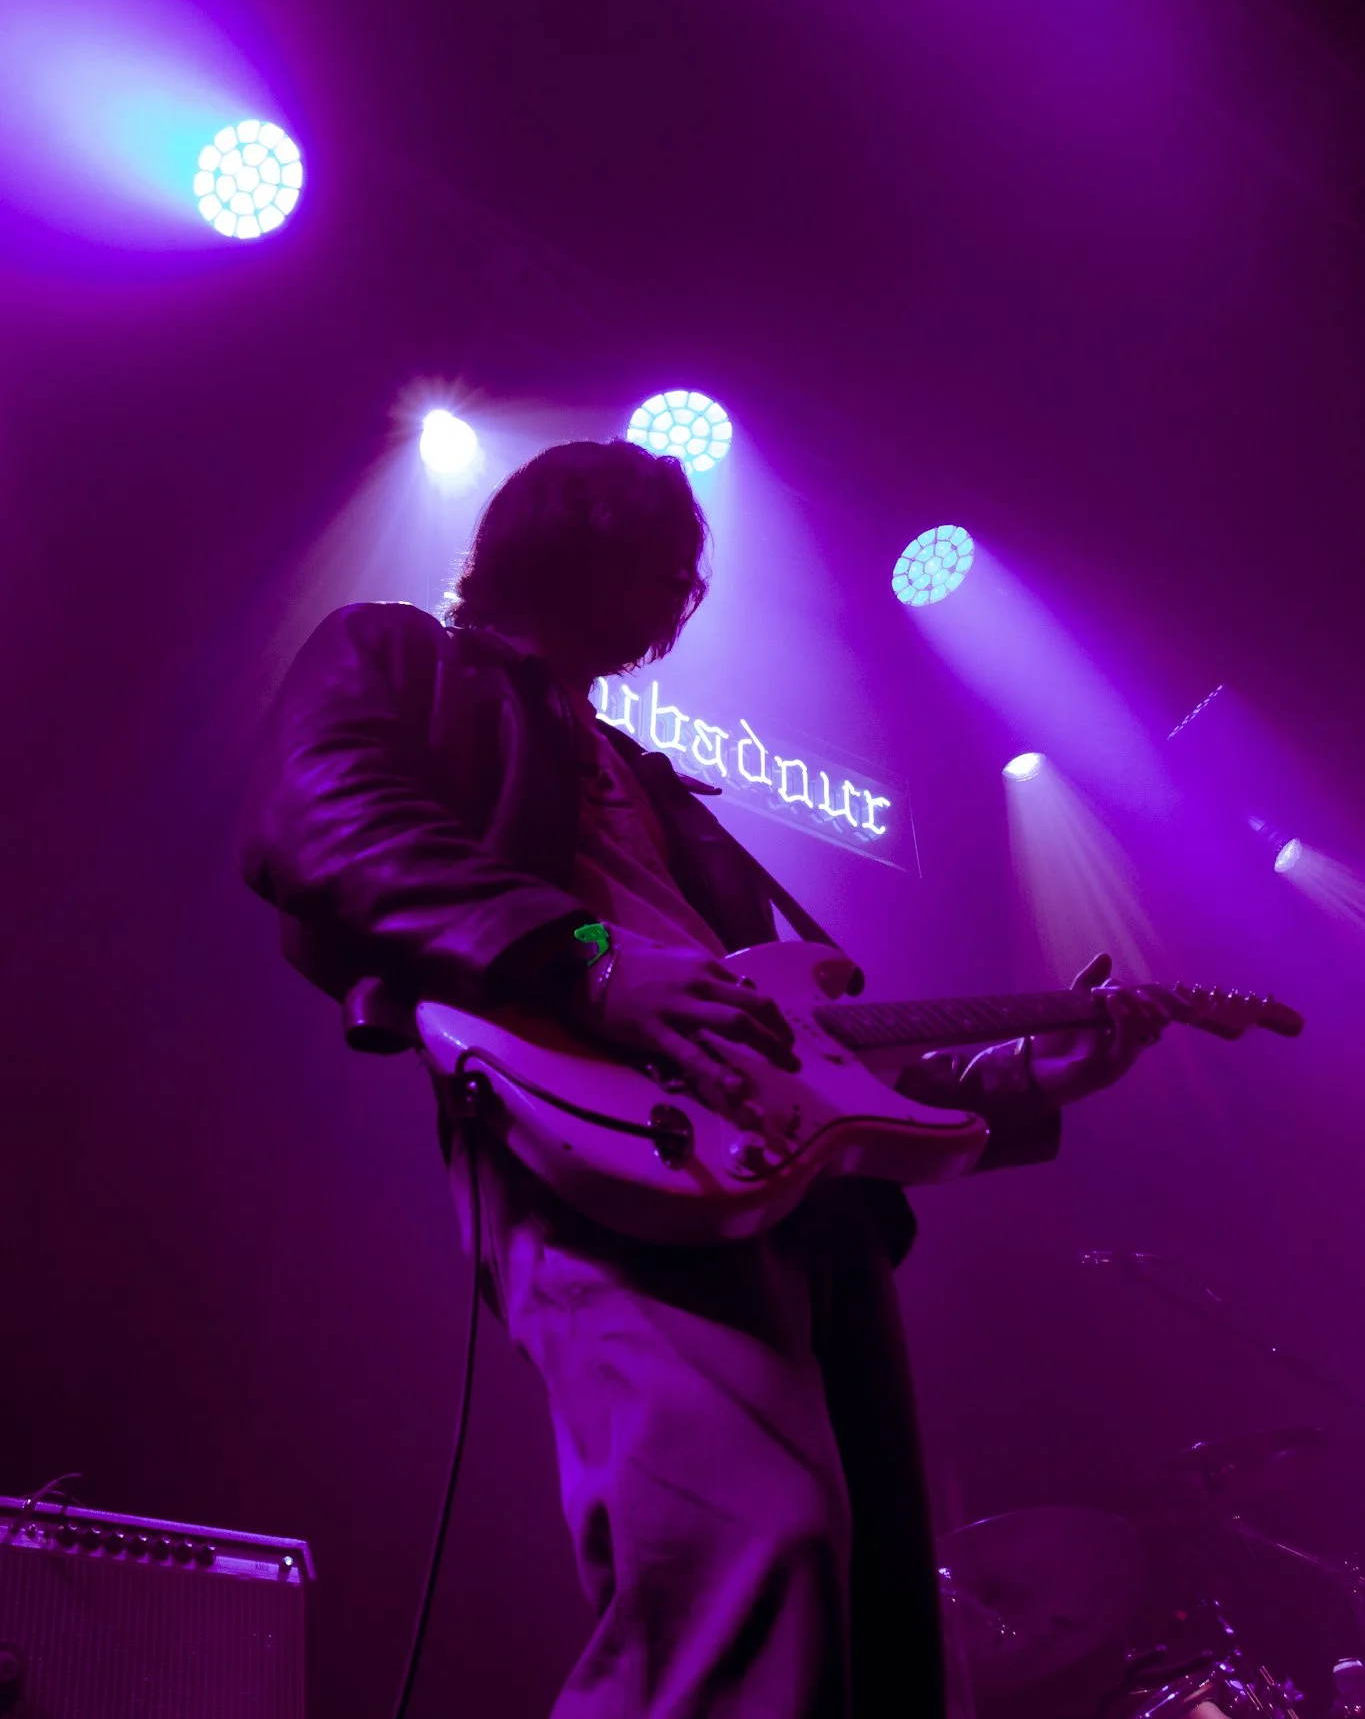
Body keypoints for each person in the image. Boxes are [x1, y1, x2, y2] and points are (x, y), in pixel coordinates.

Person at [241, 438, 1165, 1719]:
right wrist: (590, 961)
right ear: (565, 536)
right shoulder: (401, 653)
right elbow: (326, 819)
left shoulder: (651, 776)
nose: (679, 592)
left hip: (785, 1174)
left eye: (684, 571)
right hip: (593, 1136)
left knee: (876, 1624)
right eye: (659, 557)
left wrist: (1021, 1072)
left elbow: (801, 1040)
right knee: (751, 1553)